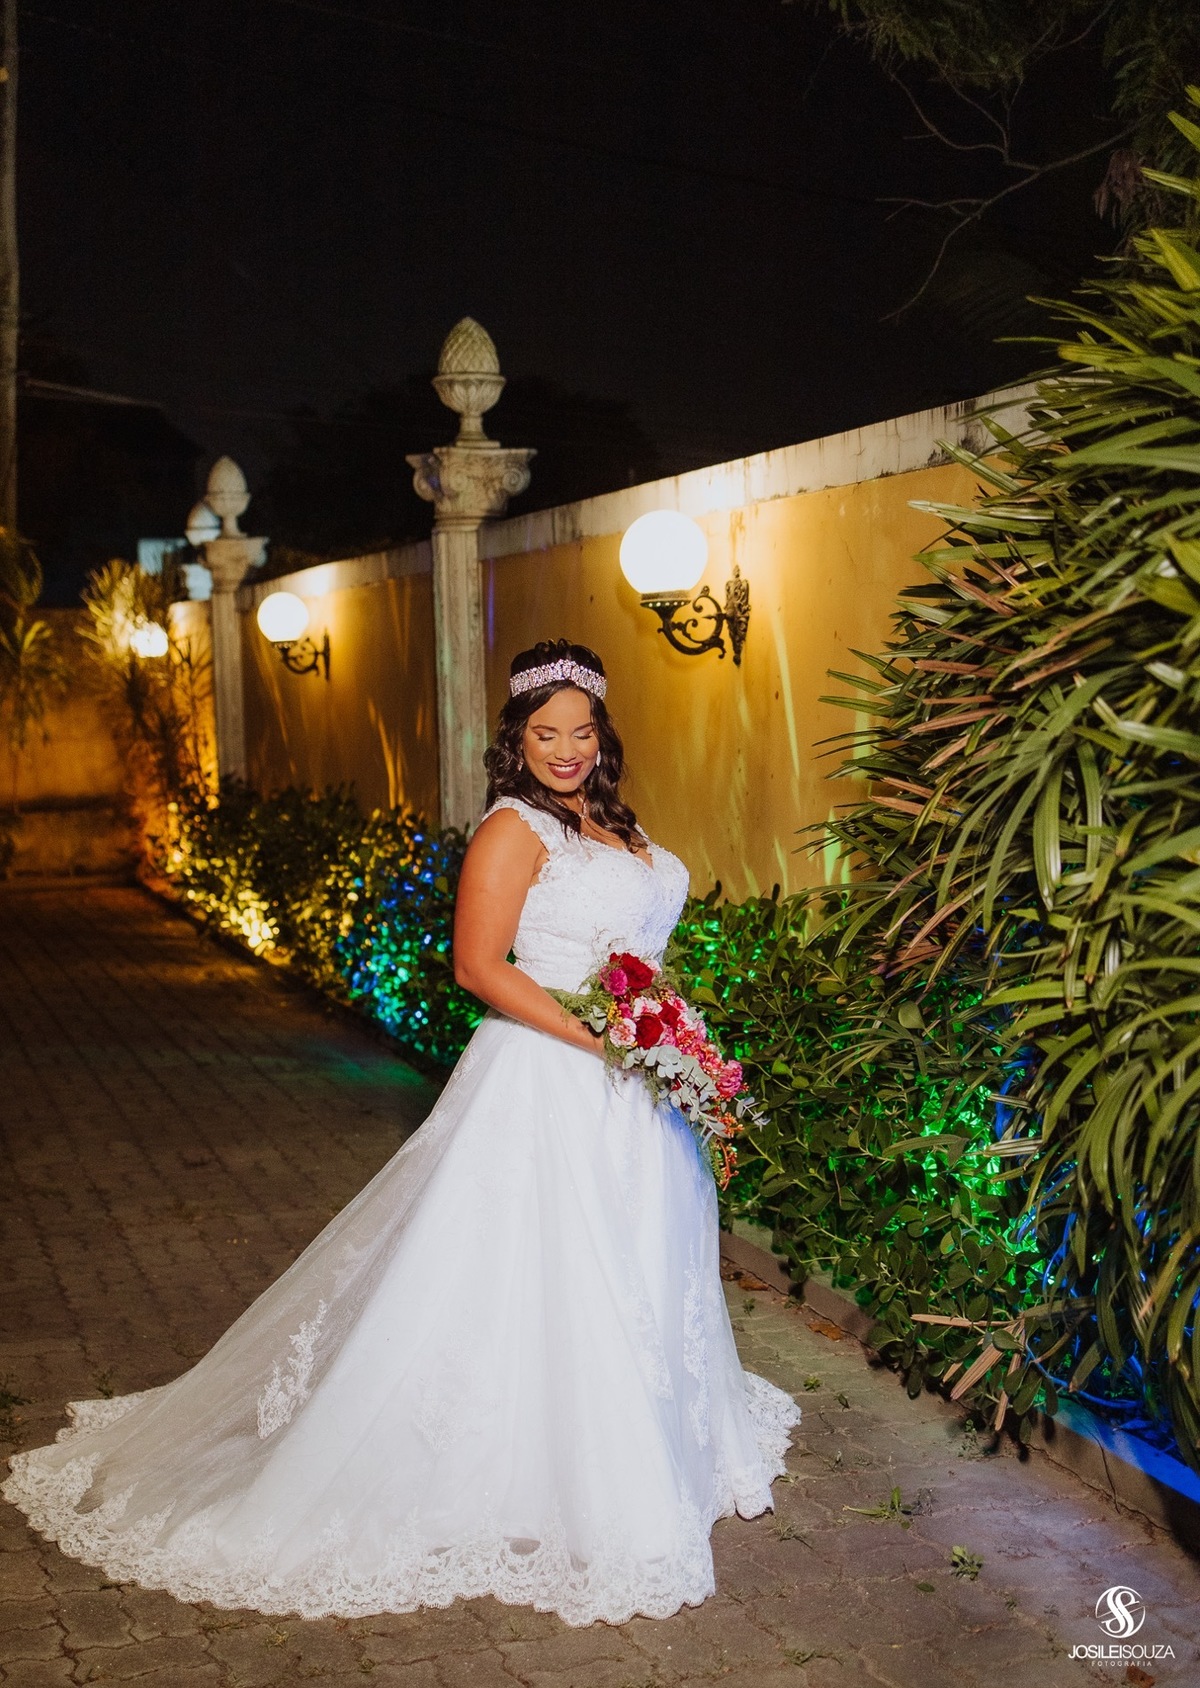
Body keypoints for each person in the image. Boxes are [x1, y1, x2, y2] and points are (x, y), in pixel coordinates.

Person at [2, 639, 798, 1626]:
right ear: (516, 739)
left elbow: (634, 948)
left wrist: (663, 1034)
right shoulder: (512, 827)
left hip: (636, 1083)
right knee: (552, 1270)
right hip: (553, 1078)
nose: (565, 750)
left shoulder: (613, 819)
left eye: (581, 731)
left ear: (603, 734)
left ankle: (658, 1430)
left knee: (636, 1258)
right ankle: (574, 1470)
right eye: (544, 733)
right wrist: (605, 1040)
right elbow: (480, 967)